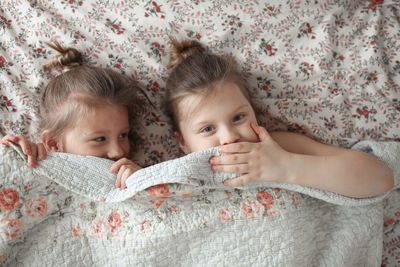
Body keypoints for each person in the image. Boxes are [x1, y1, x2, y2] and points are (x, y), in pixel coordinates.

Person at [164, 38, 394, 198]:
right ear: (182, 142)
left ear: (254, 112)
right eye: (207, 129)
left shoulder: (279, 146)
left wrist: (285, 165)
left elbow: (381, 178)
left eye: (238, 118)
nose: (229, 138)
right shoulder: (175, 175)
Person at [0, 42, 142, 189]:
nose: (118, 151)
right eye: (100, 139)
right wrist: (12, 157)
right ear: (53, 143)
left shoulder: (131, 173)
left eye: (123, 135)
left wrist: (144, 181)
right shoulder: (36, 165)